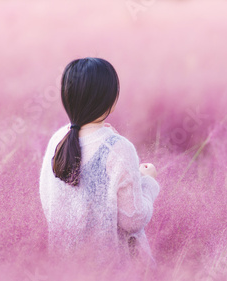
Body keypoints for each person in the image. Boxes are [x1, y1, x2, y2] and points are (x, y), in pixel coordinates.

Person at [39, 57, 160, 271]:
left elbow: (49, 199)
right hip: (110, 269)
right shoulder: (118, 148)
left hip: (66, 267)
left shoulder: (58, 140)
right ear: (110, 99)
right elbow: (132, 220)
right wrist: (148, 183)